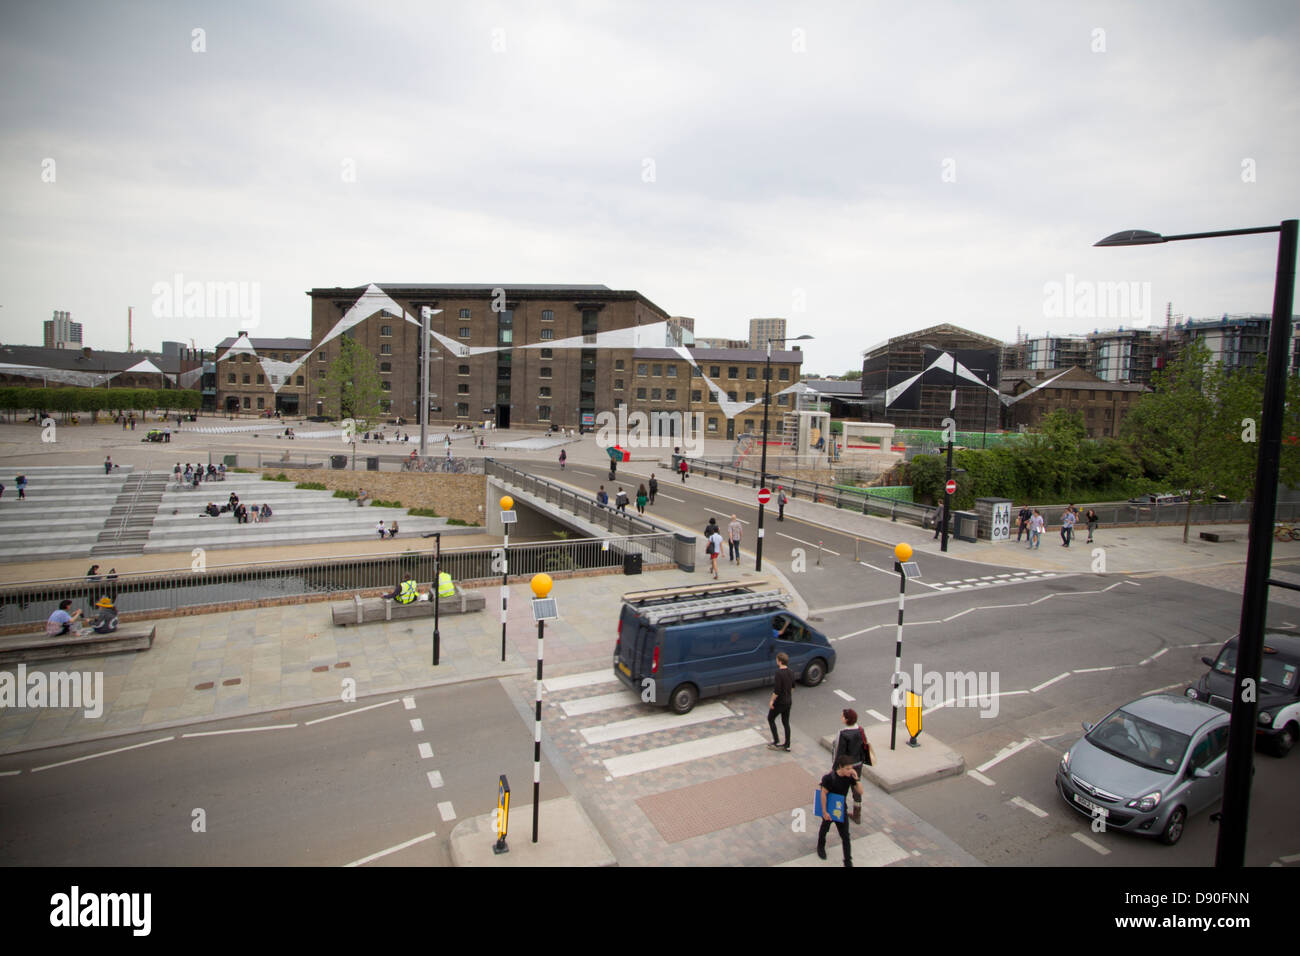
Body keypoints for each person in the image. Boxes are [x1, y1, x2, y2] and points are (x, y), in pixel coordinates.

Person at [817, 756, 864, 866]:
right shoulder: (829, 778)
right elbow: (823, 794)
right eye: (847, 769)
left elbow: (860, 792)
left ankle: (848, 861)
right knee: (825, 828)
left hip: (841, 809)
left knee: (845, 836)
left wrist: (856, 778)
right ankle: (820, 846)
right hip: (829, 808)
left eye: (851, 768)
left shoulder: (850, 777)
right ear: (840, 767)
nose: (850, 771)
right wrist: (824, 811)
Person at [831, 708, 871, 823]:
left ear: (846, 720)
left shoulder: (843, 733)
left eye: (842, 716)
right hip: (858, 764)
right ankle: (857, 814)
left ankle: (839, 812)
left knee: (842, 788)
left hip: (846, 767)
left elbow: (839, 752)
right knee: (856, 787)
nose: (841, 717)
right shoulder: (860, 730)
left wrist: (834, 769)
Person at [767, 651, 794, 751]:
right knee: (786, 722)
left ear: (780, 661)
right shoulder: (791, 672)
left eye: (777, 660)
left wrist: (771, 701)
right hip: (788, 701)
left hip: (780, 702)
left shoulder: (778, 673)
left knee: (770, 718)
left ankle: (776, 740)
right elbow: (793, 687)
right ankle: (787, 745)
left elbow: (777, 690)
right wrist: (788, 694)